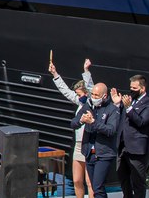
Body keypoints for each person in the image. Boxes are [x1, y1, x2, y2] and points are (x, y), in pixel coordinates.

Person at [49, 57, 94, 197]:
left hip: (90, 144)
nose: (78, 97)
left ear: (86, 94)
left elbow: (91, 87)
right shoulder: (80, 102)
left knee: (89, 180)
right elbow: (66, 91)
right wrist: (55, 74)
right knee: (77, 180)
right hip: (78, 145)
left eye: (80, 94)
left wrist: (86, 71)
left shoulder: (92, 102)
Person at [72, 82, 120, 198]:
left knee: (98, 187)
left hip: (104, 153)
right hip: (89, 152)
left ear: (104, 96)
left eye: (96, 95)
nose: (93, 97)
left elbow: (111, 130)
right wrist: (81, 120)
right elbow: (73, 123)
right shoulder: (88, 106)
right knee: (94, 186)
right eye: (92, 94)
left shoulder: (112, 109)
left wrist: (93, 122)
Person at [113, 74, 149, 198]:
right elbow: (119, 118)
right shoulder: (129, 100)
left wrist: (129, 108)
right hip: (123, 146)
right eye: (130, 87)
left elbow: (141, 122)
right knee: (122, 177)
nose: (131, 90)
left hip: (137, 149)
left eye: (134, 88)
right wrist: (118, 104)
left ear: (142, 89)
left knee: (138, 181)